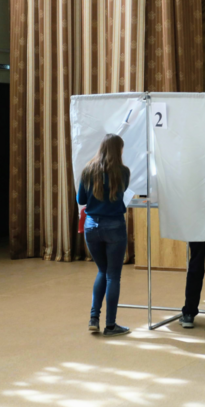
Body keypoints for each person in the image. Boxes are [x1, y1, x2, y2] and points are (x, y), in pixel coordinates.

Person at [78, 134, 131, 337]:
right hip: (114, 226)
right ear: (119, 150)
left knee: (102, 270)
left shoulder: (88, 170)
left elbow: (81, 199)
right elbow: (122, 191)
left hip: (91, 226)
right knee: (113, 275)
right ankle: (110, 325)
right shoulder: (123, 172)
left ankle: (94, 318)